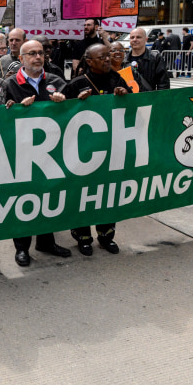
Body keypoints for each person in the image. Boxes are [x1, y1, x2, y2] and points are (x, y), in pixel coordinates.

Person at [2, 40, 72, 267]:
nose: (37, 57)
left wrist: (65, 102)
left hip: (52, 153)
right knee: (24, 199)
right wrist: (18, 109)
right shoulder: (10, 84)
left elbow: (73, 113)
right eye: (31, 53)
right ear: (21, 59)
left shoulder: (56, 81)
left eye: (40, 53)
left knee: (49, 197)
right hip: (22, 153)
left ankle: (46, 241)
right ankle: (22, 248)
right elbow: (0, 117)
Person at [63, 44, 130, 256]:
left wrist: (125, 94)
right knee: (83, 194)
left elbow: (135, 108)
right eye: (101, 57)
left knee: (108, 193)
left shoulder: (117, 79)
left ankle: (106, 235)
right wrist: (76, 103)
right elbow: (59, 112)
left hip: (111, 150)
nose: (107, 60)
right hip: (83, 153)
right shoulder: (76, 84)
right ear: (89, 62)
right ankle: (83, 237)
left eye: (108, 56)